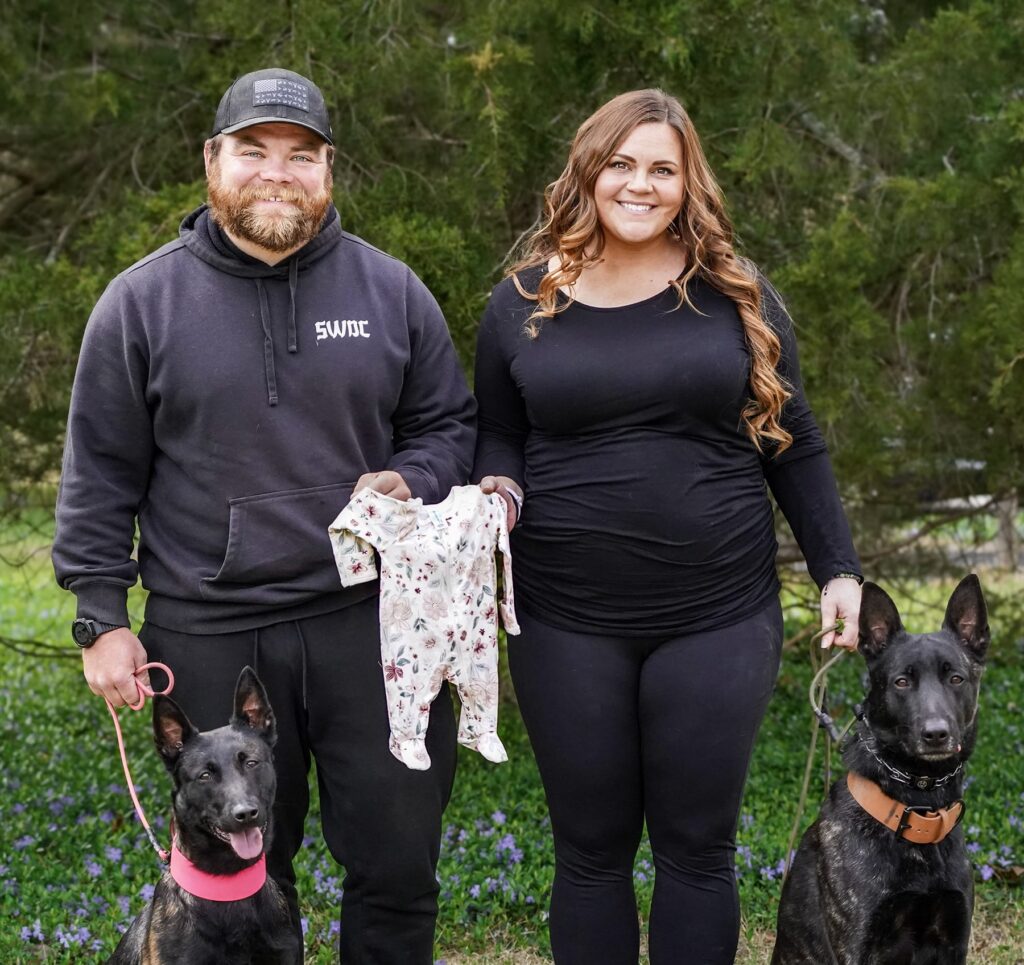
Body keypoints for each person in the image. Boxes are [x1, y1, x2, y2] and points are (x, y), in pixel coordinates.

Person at [53, 67, 475, 963]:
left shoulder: (392, 292)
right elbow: (99, 470)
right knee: (235, 884)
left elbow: (447, 424)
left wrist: (412, 473)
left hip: (373, 624)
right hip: (207, 627)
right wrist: (101, 617)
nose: (276, 172)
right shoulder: (140, 304)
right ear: (213, 160)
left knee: (399, 867)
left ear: (328, 171)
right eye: (253, 151)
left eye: (300, 155)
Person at [473, 89, 863, 964]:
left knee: (696, 852)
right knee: (590, 855)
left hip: (718, 615)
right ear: (588, 171)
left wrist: (839, 567)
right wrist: (495, 484)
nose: (640, 185)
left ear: (689, 184)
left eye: (662, 168)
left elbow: (792, 441)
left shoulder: (737, 293)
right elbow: (498, 429)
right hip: (564, 619)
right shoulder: (521, 303)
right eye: (621, 164)